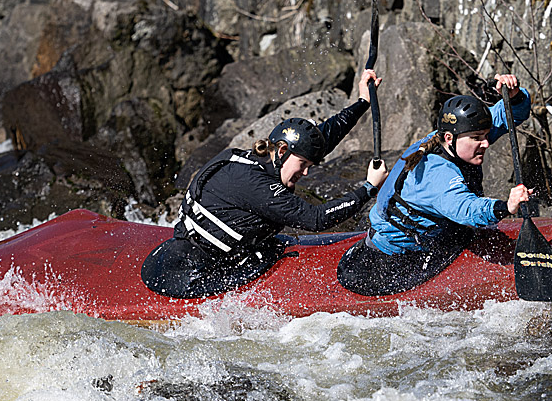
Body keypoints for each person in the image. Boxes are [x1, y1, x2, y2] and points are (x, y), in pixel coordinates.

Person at [142, 69, 389, 298]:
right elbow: (316, 219)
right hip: (198, 269)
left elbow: (321, 138)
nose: (305, 173)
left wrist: (362, 102)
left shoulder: (265, 157)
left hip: (212, 250)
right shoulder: (257, 186)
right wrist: (368, 188)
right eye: (302, 164)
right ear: (282, 150)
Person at [337, 74, 532, 295]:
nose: (486, 143)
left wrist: (514, 96)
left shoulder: (451, 138)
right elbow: (466, 210)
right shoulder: (438, 175)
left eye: (486, 135)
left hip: (419, 235)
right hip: (392, 261)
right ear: (450, 138)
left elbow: (506, 115)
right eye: (478, 138)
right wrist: (506, 207)